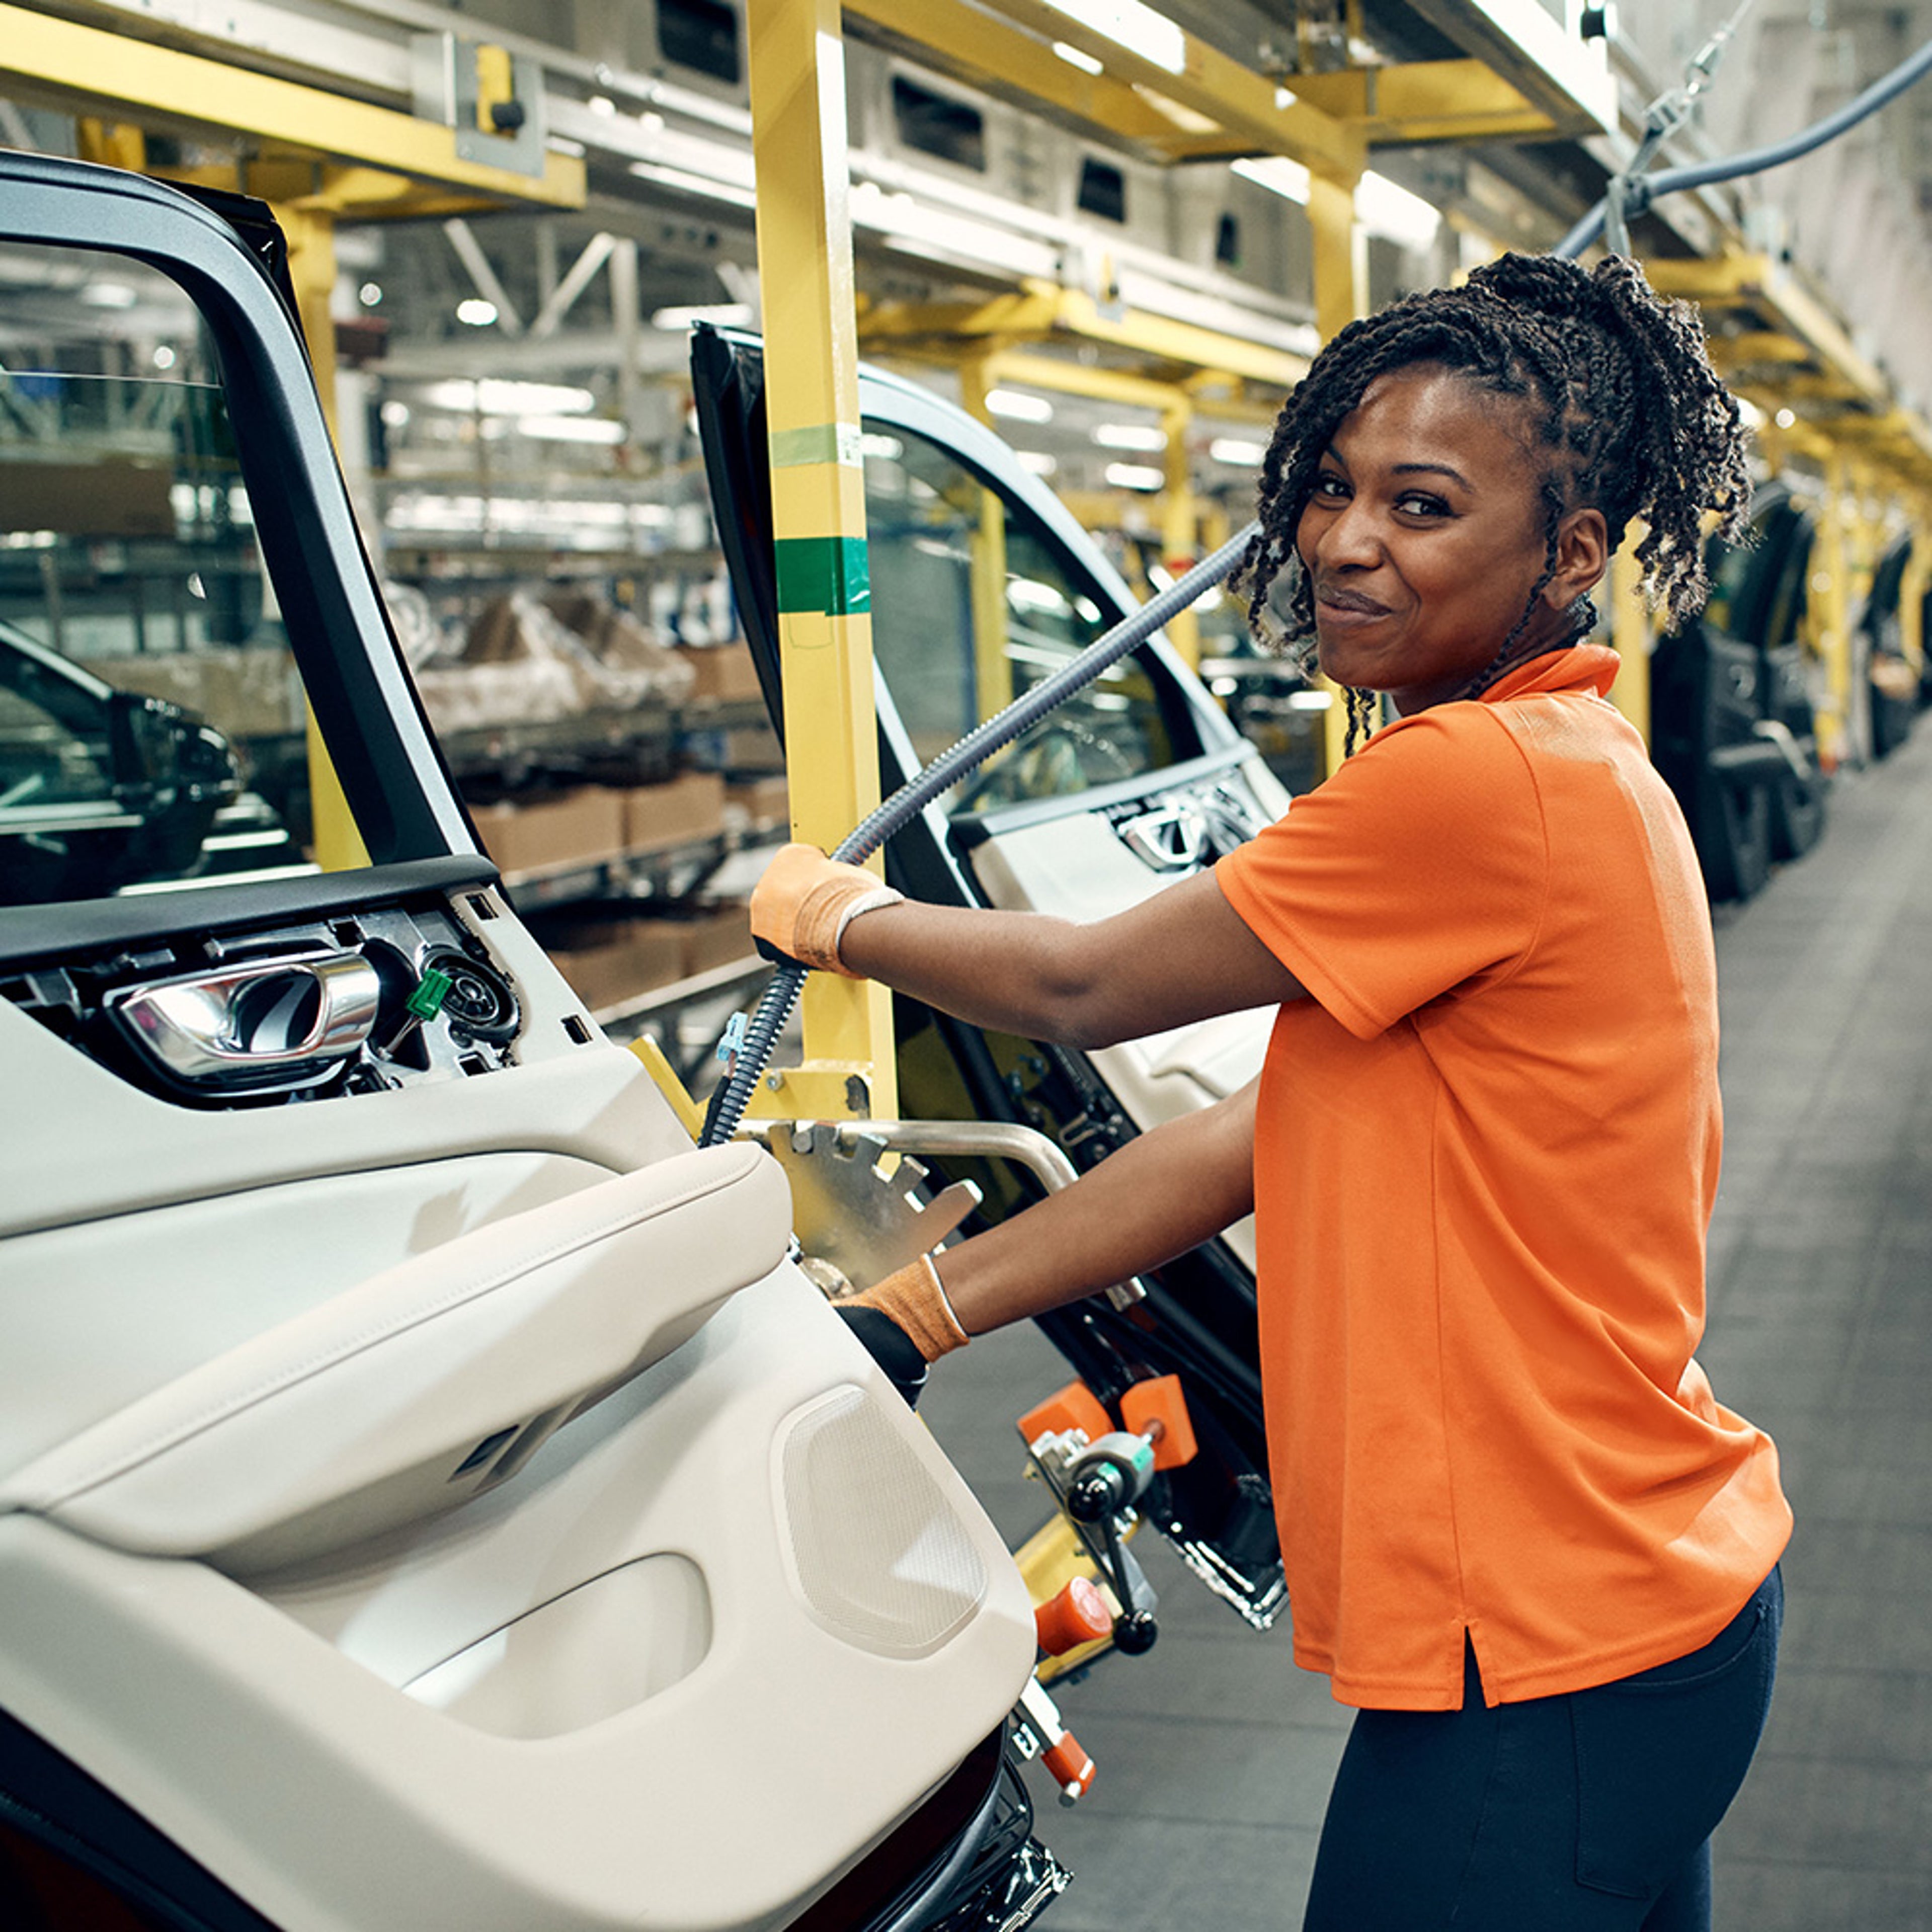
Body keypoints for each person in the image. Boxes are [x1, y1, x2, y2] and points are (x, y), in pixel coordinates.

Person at [750, 251, 1792, 1932]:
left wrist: (835, 916)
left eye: (1426, 504)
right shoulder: (1575, 762)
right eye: (1334, 488)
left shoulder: (1472, 778)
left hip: (1540, 1669)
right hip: (1649, 1616)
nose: (1349, 540)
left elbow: (1081, 983)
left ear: (1571, 556)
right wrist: (925, 1311)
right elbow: (1257, 1137)